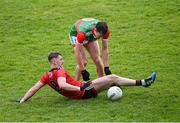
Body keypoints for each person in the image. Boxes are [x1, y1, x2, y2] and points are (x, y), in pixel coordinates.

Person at [17, 52, 156, 103]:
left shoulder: (46, 75)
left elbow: (34, 88)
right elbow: (62, 85)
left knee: (111, 82)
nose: (63, 61)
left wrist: (23, 100)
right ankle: (144, 82)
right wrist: (80, 86)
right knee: (112, 77)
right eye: (61, 59)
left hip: (78, 93)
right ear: (54, 61)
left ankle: (117, 86)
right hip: (84, 92)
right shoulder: (59, 72)